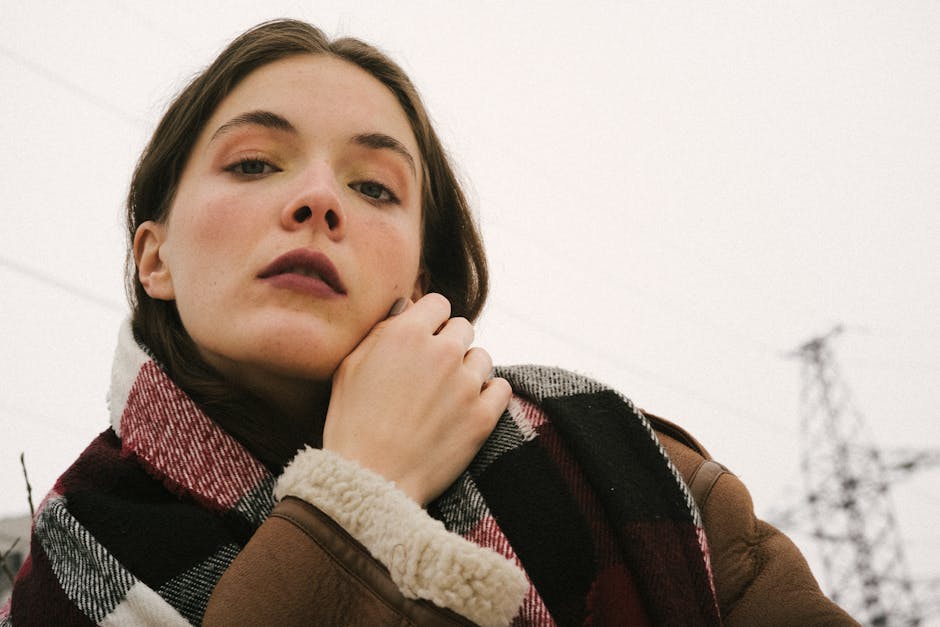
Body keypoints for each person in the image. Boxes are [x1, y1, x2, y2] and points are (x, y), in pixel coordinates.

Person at [1, 19, 856, 626]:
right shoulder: (73, 564)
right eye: (256, 162)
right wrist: (357, 493)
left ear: (420, 280)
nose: (317, 199)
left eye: (374, 186)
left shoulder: (617, 459)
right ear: (154, 258)